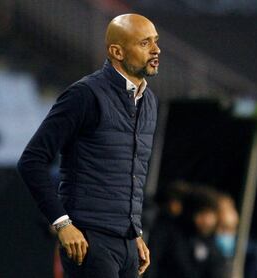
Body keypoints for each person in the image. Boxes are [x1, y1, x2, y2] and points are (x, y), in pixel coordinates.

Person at [17, 13, 160, 278]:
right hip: (88, 240)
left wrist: (133, 231)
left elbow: (129, 172)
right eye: (144, 43)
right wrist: (63, 224)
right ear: (117, 51)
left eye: (155, 41)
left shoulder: (149, 101)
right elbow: (31, 160)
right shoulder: (84, 95)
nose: (156, 50)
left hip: (128, 243)